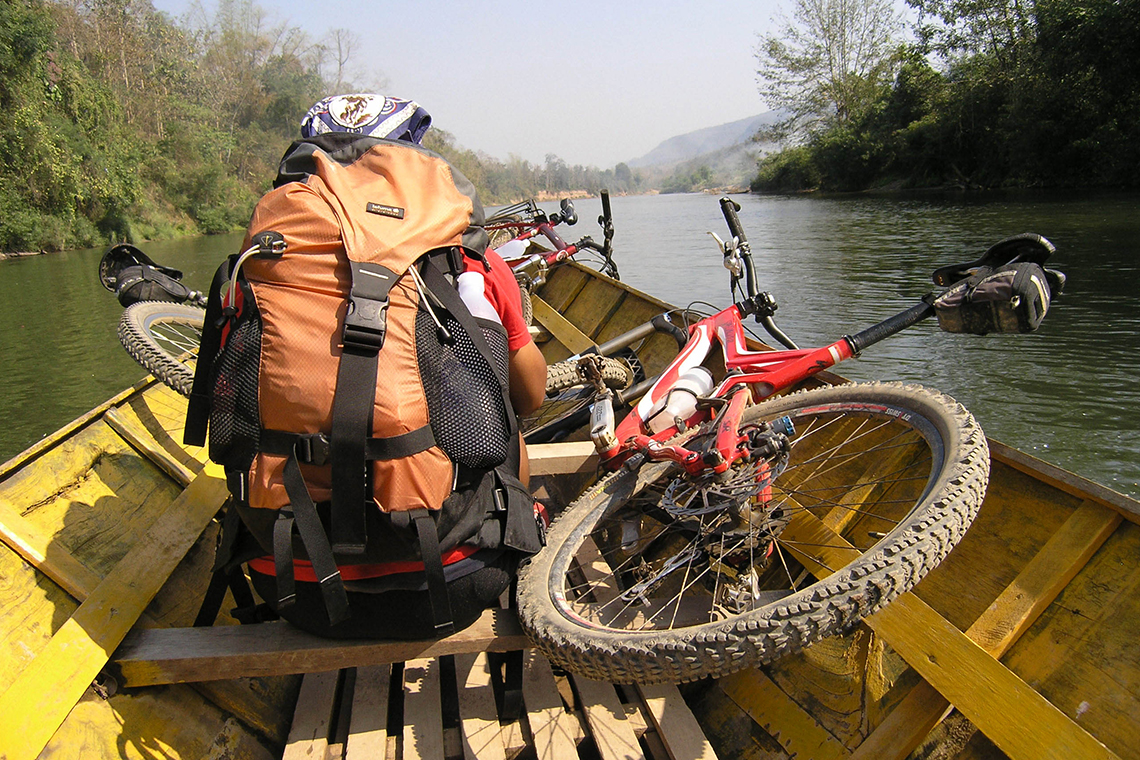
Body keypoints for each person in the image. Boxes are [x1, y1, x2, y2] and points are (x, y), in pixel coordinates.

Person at [241, 93, 547, 638]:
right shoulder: (472, 261)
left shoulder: (261, 262)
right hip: (456, 584)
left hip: (291, 583)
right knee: (508, 416)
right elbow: (531, 396)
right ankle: (518, 548)